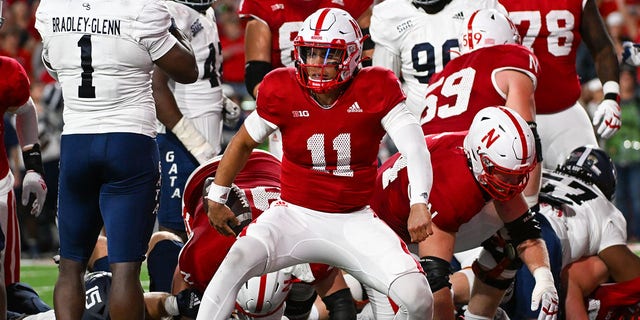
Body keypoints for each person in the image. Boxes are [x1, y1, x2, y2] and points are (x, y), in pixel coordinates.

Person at [200, 8, 435, 320]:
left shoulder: (376, 85)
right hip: (292, 215)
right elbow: (243, 141)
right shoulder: (282, 87)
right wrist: (217, 195)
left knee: (418, 297)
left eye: (328, 55)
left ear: (352, 56)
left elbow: (414, 146)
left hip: (355, 220)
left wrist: (419, 201)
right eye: (310, 53)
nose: (316, 65)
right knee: (231, 268)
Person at [34, 0, 199, 317]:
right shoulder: (142, 8)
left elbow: (54, 65)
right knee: (125, 270)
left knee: (70, 266)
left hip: (76, 141)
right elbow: (188, 69)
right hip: (129, 142)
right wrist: (173, 24)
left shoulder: (51, 7)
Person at [369, 106, 558, 320]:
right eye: (506, 176)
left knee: (510, 240)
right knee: (419, 301)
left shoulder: (480, 160)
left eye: (519, 175)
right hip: (385, 236)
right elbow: (436, 282)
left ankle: (479, 316)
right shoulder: (452, 185)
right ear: (480, 159)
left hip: (412, 220)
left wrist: (544, 277)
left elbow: (526, 233)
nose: (515, 185)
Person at [452, 146, 640, 319]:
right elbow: (628, 270)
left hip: (492, 219)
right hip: (543, 236)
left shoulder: (546, 173)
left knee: (480, 281)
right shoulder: (604, 207)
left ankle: (441, 291)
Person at [178, 149, 358, 320]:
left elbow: (341, 304)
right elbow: (185, 295)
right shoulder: (203, 257)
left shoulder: (305, 250)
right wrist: (179, 304)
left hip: (270, 169)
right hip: (203, 180)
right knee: (193, 302)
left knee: (306, 287)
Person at [238, 0, 373, 159]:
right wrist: (296, 108)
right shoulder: (262, 4)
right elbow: (256, 76)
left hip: (343, 101)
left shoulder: (353, 5)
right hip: (289, 105)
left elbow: (368, 61)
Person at [152, 0, 241, 242]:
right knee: (175, 229)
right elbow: (156, 88)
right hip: (180, 138)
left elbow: (199, 69)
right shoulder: (173, 13)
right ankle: (166, 281)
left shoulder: (204, 12)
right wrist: (195, 142)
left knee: (206, 225)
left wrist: (219, 98)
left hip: (206, 133)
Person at [501, 0, 621, 170]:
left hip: (566, 113)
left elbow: (602, 47)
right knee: (514, 191)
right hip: (512, 119)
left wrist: (611, 96)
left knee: (592, 183)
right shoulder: (491, 3)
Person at [369, 0, 505, 117]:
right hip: (420, 127)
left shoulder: (481, 5)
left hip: (475, 120)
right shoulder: (389, 14)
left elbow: (503, 69)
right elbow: (384, 89)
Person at [0, 56, 50, 319]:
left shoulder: (8, 71)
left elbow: (25, 108)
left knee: (7, 285)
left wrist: (33, 165)